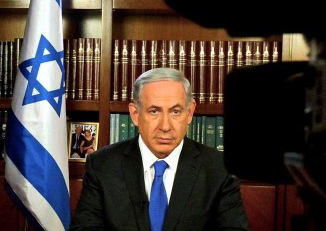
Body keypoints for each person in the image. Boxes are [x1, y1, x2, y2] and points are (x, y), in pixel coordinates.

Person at [70, 67, 250, 230]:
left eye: (175, 111)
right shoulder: (102, 165)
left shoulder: (219, 168)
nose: (165, 126)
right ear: (135, 114)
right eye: (154, 111)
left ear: (189, 113)